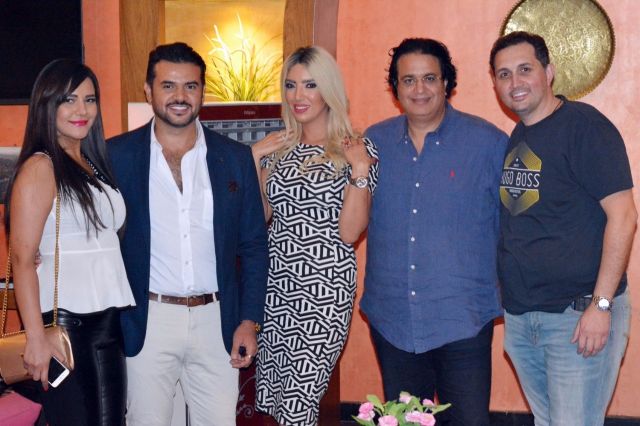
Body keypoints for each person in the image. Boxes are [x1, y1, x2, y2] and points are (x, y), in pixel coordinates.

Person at [107, 42, 269, 425]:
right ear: (148, 90)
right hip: (147, 320)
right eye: (168, 85)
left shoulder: (234, 158)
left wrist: (249, 321)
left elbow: (253, 247)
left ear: (202, 92)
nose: (180, 96)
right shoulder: (116, 156)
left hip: (216, 321)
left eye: (190, 86)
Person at [490, 31, 636, 426]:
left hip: (577, 317)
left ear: (549, 71)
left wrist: (601, 306)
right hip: (524, 318)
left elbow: (624, 215)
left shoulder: (584, 127)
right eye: (504, 74)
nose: (515, 82)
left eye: (525, 69)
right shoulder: (520, 135)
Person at [362, 38, 508, 426]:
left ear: (446, 83)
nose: (419, 89)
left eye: (429, 78)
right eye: (408, 80)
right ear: (395, 87)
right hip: (393, 319)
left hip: (463, 319)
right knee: (406, 422)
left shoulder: (488, 143)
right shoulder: (372, 145)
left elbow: (515, 226)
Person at [252, 45, 379, 425]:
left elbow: (350, 233)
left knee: (299, 403)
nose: (298, 95)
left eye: (310, 85)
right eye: (291, 85)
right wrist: (252, 160)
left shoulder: (356, 148)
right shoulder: (277, 148)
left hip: (323, 293)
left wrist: (359, 170)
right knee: (278, 403)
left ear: (329, 89)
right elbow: (261, 219)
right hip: (277, 289)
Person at [6, 59, 135, 425]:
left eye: (89, 100)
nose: (82, 110)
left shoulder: (92, 164)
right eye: (69, 99)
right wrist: (35, 338)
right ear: (47, 105)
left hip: (107, 323)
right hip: (64, 329)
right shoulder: (41, 166)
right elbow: (22, 258)